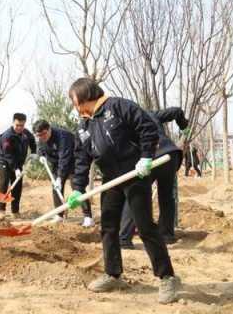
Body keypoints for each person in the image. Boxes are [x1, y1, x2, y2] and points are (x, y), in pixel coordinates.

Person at [65, 78, 179, 304]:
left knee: (145, 226)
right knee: (108, 226)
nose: (73, 105)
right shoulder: (84, 126)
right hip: (110, 180)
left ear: (83, 95)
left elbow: (148, 128)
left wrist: (146, 156)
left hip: (135, 174)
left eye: (73, 100)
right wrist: (78, 189)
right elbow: (81, 159)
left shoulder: (118, 106)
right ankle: (113, 273)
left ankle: (167, 277)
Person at [119, 107, 190, 249]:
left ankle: (124, 238)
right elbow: (176, 111)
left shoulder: (122, 123)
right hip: (170, 155)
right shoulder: (149, 113)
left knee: (135, 195)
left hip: (151, 156)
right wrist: (184, 126)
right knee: (166, 196)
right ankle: (167, 234)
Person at [33, 119, 94, 226]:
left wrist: (60, 177)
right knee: (56, 189)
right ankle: (59, 215)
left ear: (49, 129)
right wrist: (41, 155)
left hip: (73, 162)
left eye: (43, 134)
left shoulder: (62, 136)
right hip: (57, 164)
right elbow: (40, 147)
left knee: (77, 188)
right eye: (39, 135)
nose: (42, 137)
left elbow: (64, 158)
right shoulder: (41, 137)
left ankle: (88, 217)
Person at [0, 113, 37, 220]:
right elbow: (8, 155)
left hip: (19, 162)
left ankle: (15, 211)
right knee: (4, 183)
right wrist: (15, 169)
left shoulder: (26, 133)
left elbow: (33, 142)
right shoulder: (7, 136)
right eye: (17, 125)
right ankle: (1, 209)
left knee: (17, 187)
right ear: (13, 123)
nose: (19, 128)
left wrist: (33, 153)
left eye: (22, 125)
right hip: (4, 161)